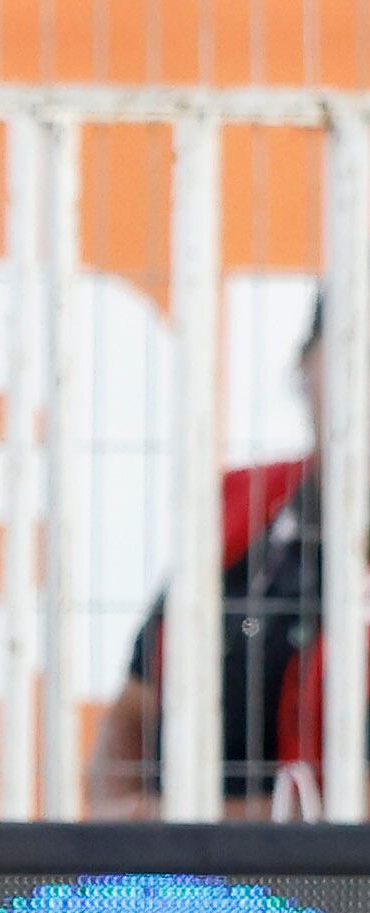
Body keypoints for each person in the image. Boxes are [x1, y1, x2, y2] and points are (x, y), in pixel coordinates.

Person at [88, 293, 367, 819]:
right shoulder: (246, 510)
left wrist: (200, 825)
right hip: (192, 877)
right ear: (304, 369)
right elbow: (134, 705)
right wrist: (118, 813)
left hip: (338, 883)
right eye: (351, 352)